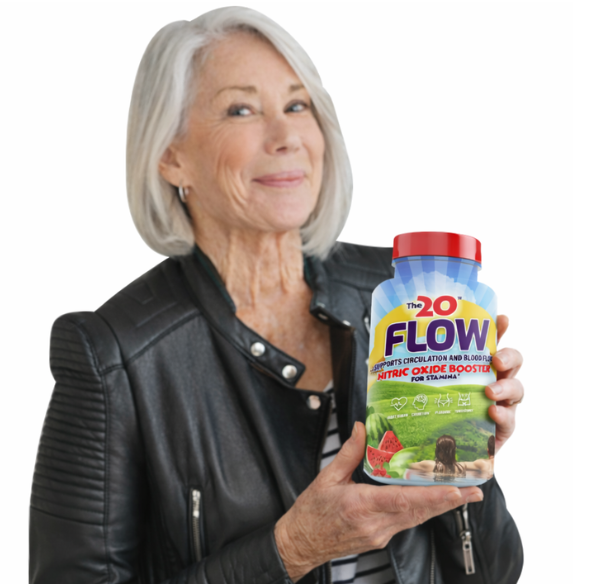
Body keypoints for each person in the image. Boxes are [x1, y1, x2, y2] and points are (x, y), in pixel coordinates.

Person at [28, 6, 525, 584]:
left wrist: (466, 451)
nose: (287, 137)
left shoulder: (396, 294)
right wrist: (288, 549)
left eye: (297, 106)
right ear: (170, 155)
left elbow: (493, 573)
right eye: (241, 110)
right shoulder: (114, 355)